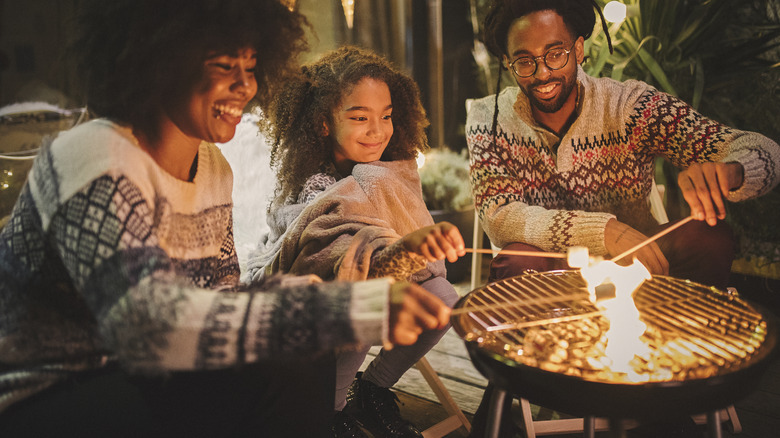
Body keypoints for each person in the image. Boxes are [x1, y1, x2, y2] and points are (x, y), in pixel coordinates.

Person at [0, 2, 450, 437]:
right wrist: (341, 310)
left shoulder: (214, 168)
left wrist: (331, 289)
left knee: (302, 360)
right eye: (223, 66)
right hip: (48, 392)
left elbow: (222, 297)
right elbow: (148, 326)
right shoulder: (94, 154)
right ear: (159, 59)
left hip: (151, 375)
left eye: (251, 67)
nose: (245, 86)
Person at [466, 0, 780, 436]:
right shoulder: (488, 118)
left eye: (555, 53)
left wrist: (732, 170)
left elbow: (761, 149)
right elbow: (499, 216)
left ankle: (665, 381)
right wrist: (603, 230)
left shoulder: (629, 105)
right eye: (525, 61)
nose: (541, 73)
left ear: (579, 49)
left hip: (643, 271)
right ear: (507, 61)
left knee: (707, 236)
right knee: (516, 258)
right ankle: (519, 389)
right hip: (552, 282)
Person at [244, 46, 465, 438]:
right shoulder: (314, 182)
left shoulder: (386, 172)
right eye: (360, 117)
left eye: (386, 116)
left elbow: (403, 217)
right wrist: (392, 252)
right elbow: (321, 245)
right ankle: (332, 408)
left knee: (445, 298)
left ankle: (374, 387)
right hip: (328, 286)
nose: (377, 130)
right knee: (366, 302)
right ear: (324, 123)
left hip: (396, 265)